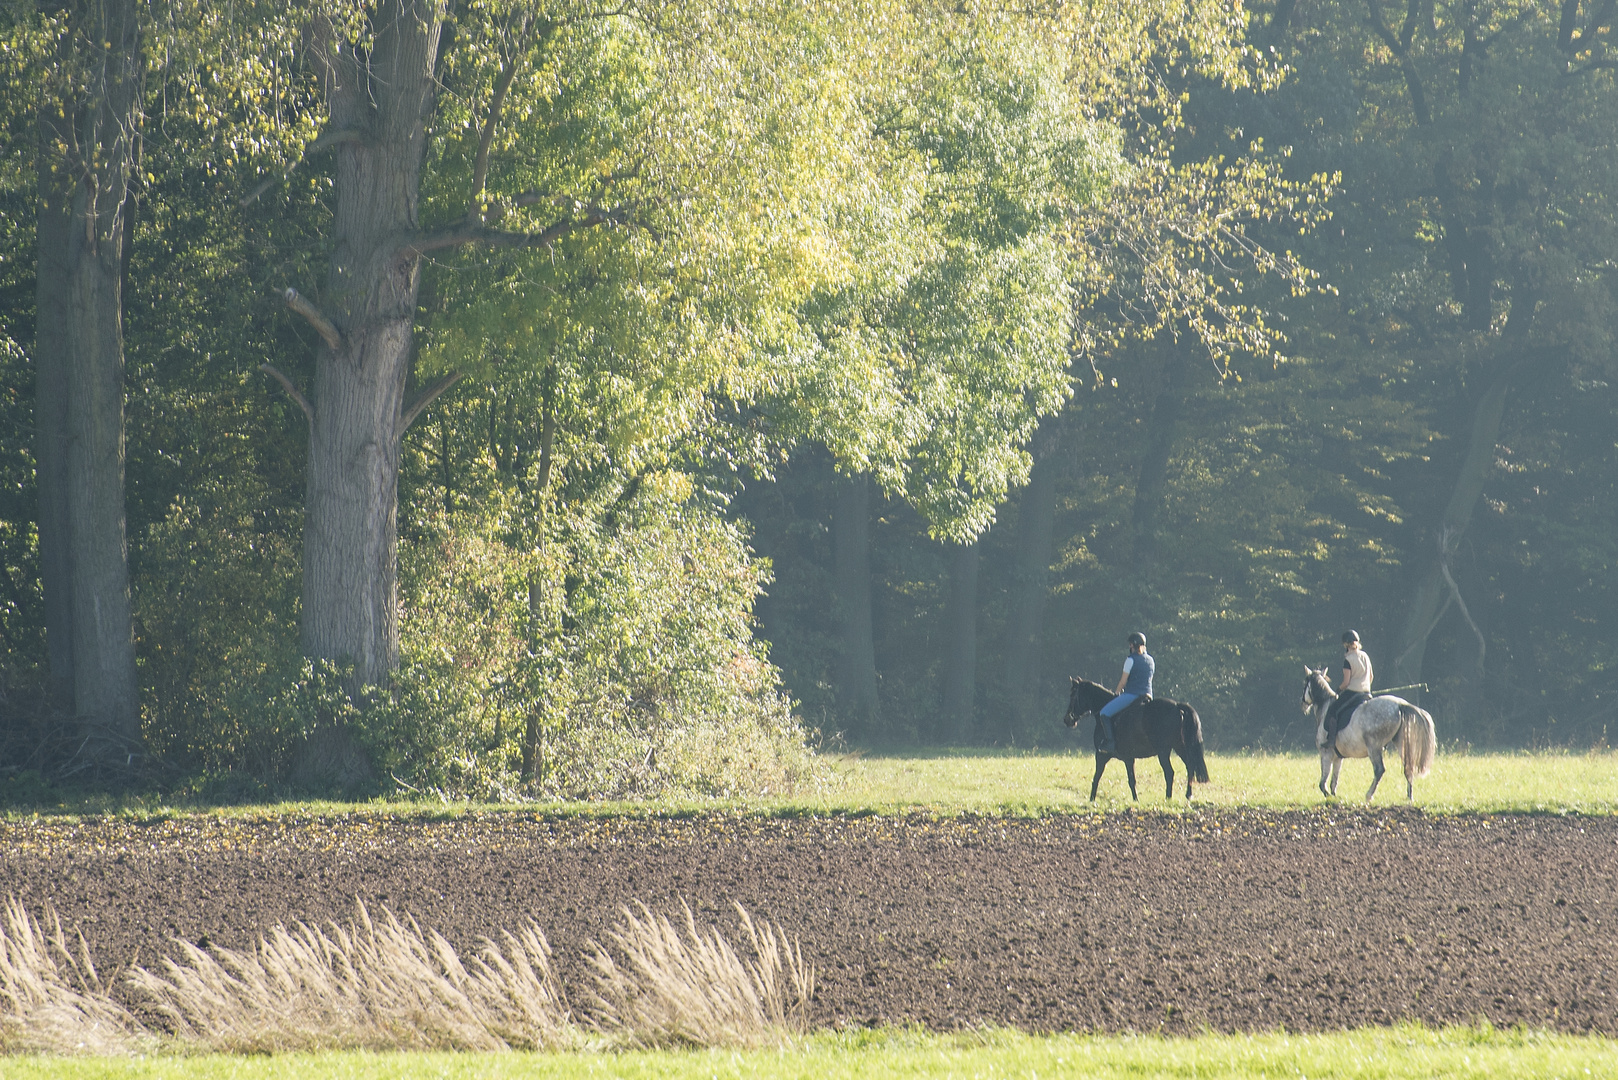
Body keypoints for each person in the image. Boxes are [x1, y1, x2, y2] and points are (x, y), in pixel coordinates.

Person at [1097, 631, 1153, 755]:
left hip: (1132, 695)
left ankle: (1110, 743)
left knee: (1104, 713)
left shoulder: (1130, 660)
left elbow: (1123, 681)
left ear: (1133, 645)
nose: (1129, 647)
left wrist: (1116, 693)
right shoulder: (1151, 660)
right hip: (1148, 696)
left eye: (1130, 645)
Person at [1322, 629, 1373, 750]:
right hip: (1366, 693)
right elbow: (1371, 677)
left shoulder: (1348, 660)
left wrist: (1338, 690)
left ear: (1345, 644)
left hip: (1352, 693)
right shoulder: (1365, 655)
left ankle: (1331, 740)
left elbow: (1346, 683)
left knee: (1333, 709)